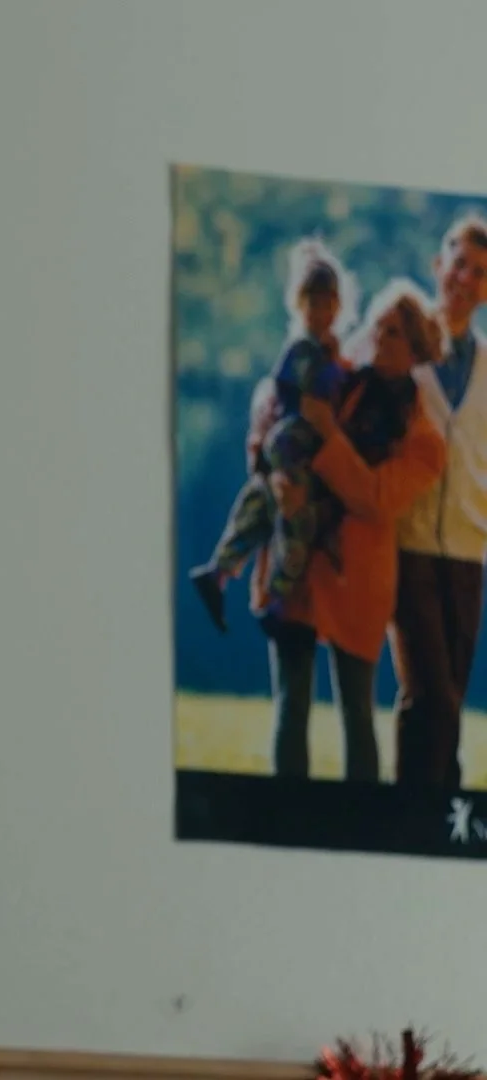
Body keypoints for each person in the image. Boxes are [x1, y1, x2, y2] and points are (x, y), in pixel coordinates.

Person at [246, 281, 447, 780]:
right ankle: (285, 822)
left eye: (395, 332)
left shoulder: (423, 438)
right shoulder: (336, 381)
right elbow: (275, 419)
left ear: (417, 348)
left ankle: (360, 828)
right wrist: (276, 477)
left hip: (358, 576)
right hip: (298, 560)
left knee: (357, 714)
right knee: (290, 704)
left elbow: (376, 499)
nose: (380, 337)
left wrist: (327, 434)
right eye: (378, 325)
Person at [190, 239, 359, 631]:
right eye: (313, 304)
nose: (321, 313)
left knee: (257, 507)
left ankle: (219, 571)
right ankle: (280, 596)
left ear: (339, 305)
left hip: (285, 445)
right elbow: (312, 392)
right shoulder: (304, 349)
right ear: (300, 306)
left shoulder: (320, 348)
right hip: (290, 443)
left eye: (327, 303)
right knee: (293, 517)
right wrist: (335, 363)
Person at [391, 214, 487, 790]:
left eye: (479, 273)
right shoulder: (398, 342)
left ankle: (415, 816)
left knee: (439, 690)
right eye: (459, 265)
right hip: (408, 543)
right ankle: (437, 805)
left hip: (469, 551)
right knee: (432, 690)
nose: (466, 279)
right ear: (438, 266)